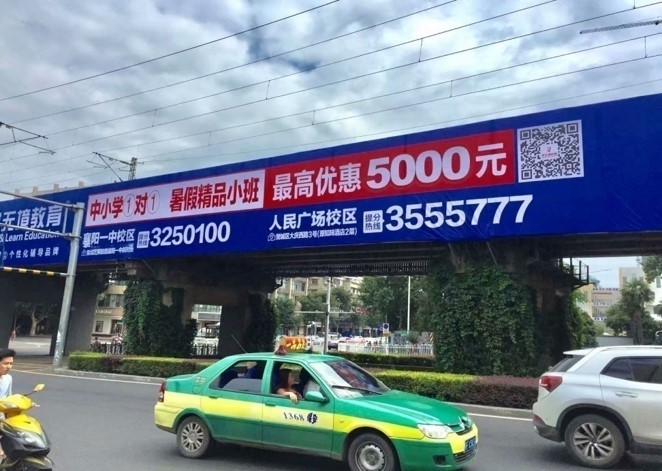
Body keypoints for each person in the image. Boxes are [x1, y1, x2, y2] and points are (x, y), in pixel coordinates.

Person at [0, 348, 15, 461]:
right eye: (5, 363)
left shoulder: (8, 378)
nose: (9, 366)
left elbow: (10, 398)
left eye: (11, 363)